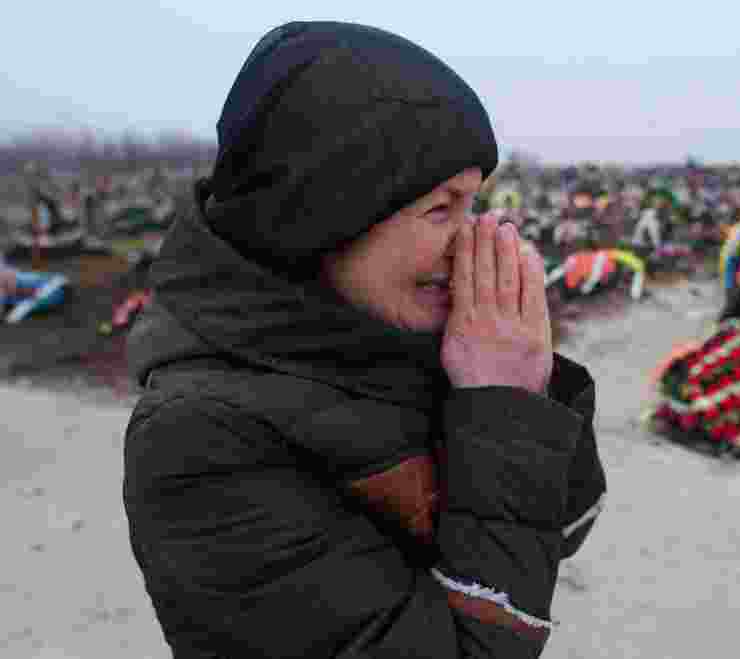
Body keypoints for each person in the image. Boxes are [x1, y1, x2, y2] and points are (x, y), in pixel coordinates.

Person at [123, 21, 606, 658]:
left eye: (473, 206)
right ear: (326, 212)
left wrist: (527, 388)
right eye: (442, 208)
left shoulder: (386, 338)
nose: (471, 242)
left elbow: (561, 525)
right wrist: (501, 406)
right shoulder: (197, 439)